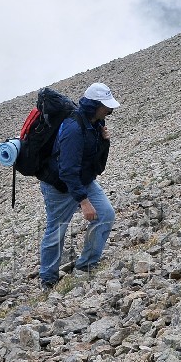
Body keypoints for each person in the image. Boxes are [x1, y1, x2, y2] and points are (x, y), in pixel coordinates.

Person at [37, 82, 120, 290]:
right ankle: (48, 279)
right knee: (57, 229)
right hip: (58, 186)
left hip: (83, 180)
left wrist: (105, 141)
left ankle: (86, 266)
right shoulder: (73, 128)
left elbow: (96, 163)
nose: (109, 110)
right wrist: (83, 201)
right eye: (106, 106)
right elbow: (67, 170)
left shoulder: (96, 123)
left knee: (106, 214)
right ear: (94, 105)